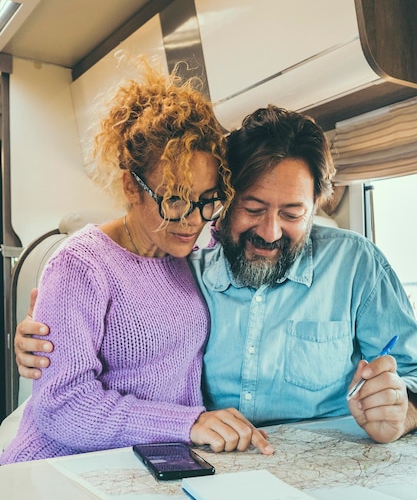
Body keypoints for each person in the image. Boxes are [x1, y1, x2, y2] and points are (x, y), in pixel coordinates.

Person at [13, 106, 417, 445]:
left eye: (292, 214)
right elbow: (94, 364)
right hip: (207, 461)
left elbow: (411, 371)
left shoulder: (357, 265)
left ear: (315, 206)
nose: (270, 231)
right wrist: (42, 336)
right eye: (253, 208)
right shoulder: (188, 260)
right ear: (227, 200)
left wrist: (404, 411)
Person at [0, 62, 274, 465]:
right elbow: (62, 407)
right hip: (55, 469)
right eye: (175, 199)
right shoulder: (79, 265)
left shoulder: (189, 256)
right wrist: (187, 423)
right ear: (132, 186)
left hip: (144, 463)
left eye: (206, 200)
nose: (192, 220)